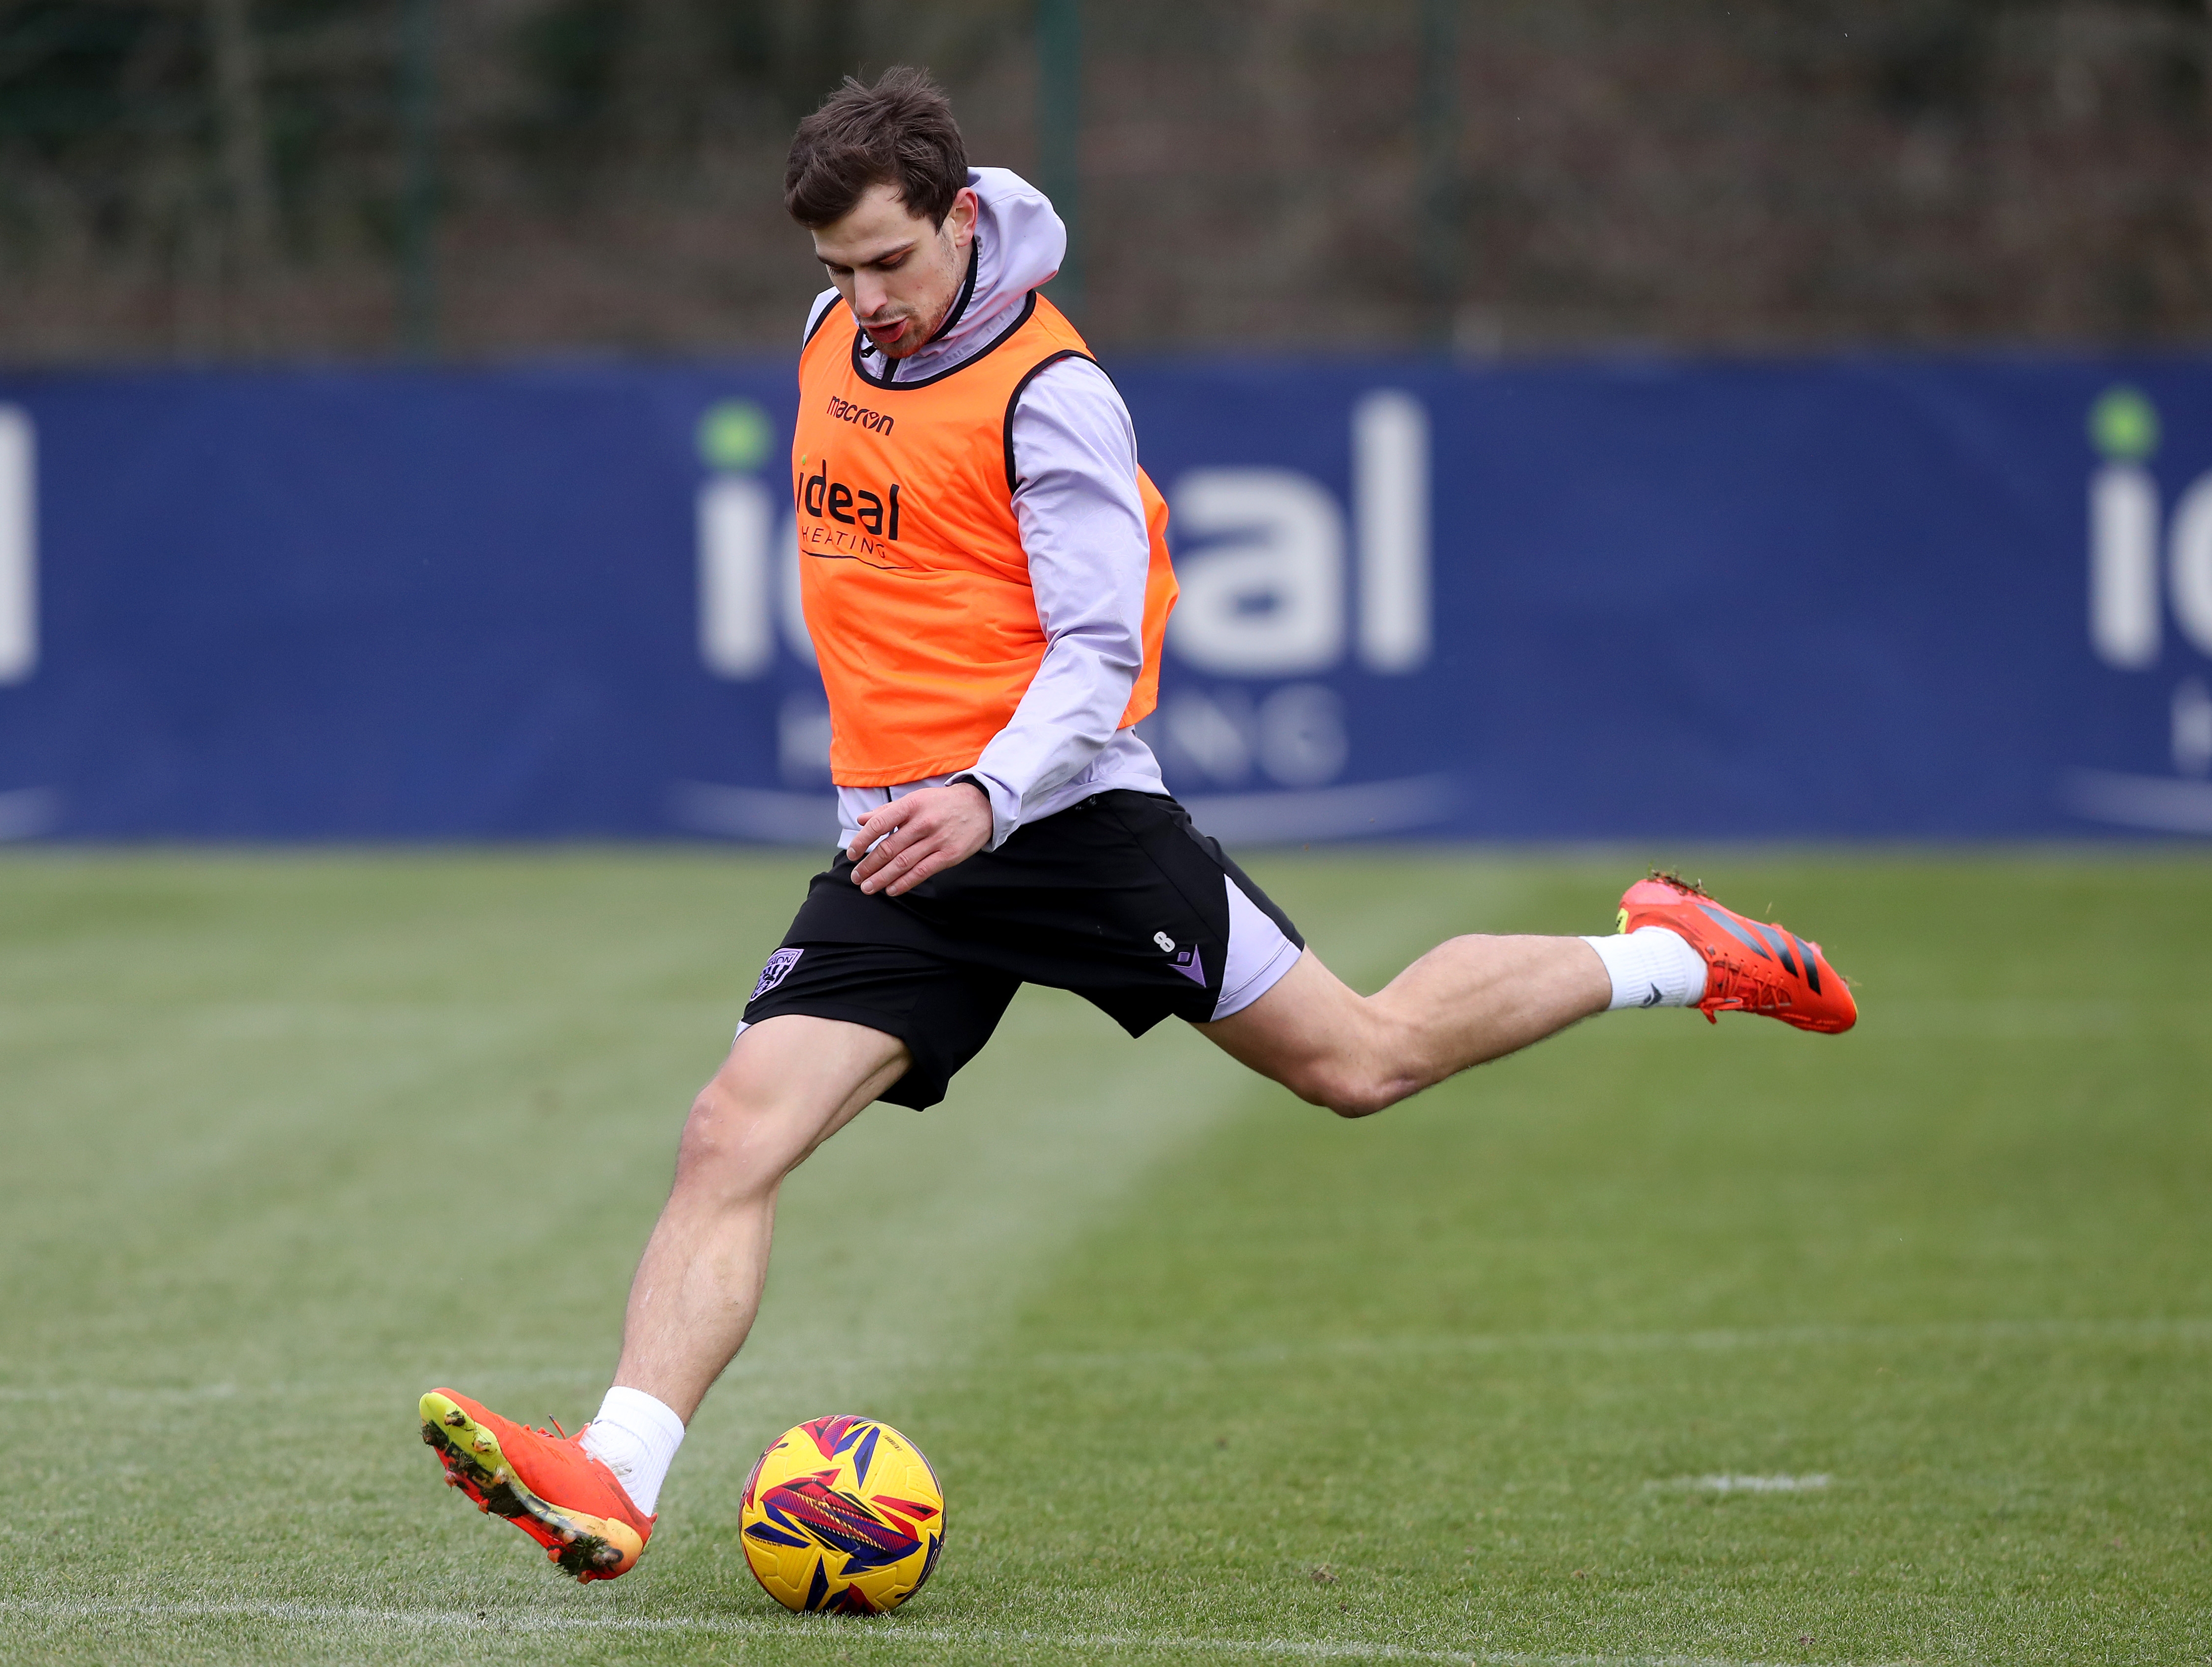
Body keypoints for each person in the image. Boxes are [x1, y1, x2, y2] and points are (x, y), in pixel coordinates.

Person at [416, 67, 1856, 1582]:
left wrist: (985, 791)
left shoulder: (1055, 395)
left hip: (1066, 830)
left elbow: (1099, 657)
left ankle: (1669, 953)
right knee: (730, 1130)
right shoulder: (832, 332)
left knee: (1359, 1062)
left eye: (891, 260)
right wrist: (927, 805)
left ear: (962, 219)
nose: (866, 298)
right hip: (905, 852)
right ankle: (617, 1477)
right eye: (834, 270)